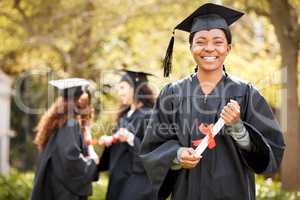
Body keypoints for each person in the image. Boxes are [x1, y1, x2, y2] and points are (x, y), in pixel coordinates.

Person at [140, 3, 285, 200]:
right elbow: (153, 146)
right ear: (191, 47)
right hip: (187, 192)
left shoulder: (246, 93)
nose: (209, 48)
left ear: (228, 48)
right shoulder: (173, 94)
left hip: (234, 192)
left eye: (217, 42)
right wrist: (177, 154)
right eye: (200, 41)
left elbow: (270, 151)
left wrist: (238, 127)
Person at [31, 78, 100, 200]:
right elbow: (70, 158)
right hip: (63, 191)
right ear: (78, 99)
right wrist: (92, 164)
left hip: (53, 185)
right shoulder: (70, 123)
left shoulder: (57, 121)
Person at [99, 70, 156, 200]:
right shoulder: (124, 116)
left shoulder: (149, 115)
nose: (119, 93)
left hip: (137, 181)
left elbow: (152, 152)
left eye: (123, 87)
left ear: (136, 88)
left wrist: (130, 138)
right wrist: (110, 140)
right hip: (118, 177)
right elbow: (118, 145)